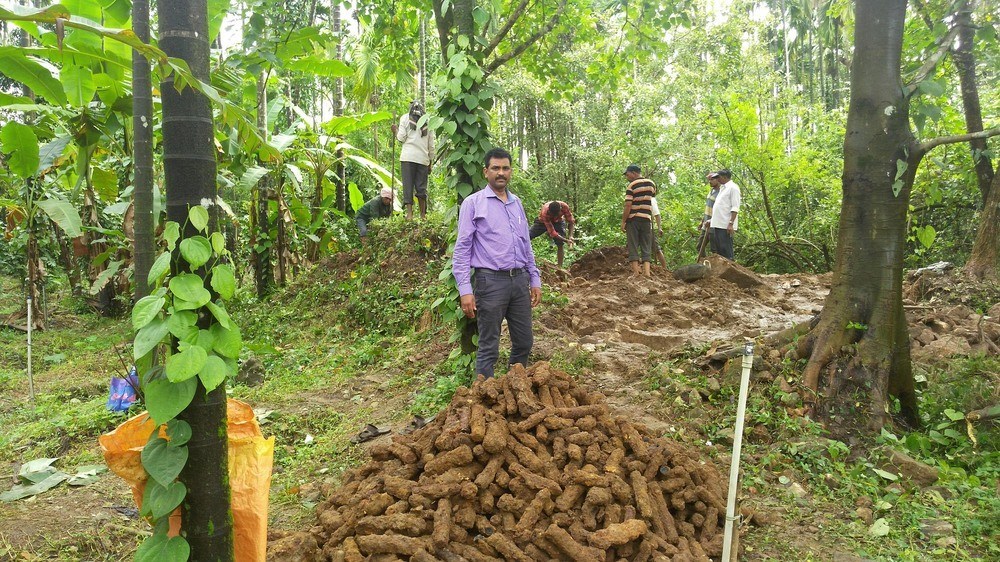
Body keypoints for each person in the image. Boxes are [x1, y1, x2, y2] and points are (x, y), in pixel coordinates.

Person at [453, 148, 542, 378]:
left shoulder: (517, 203)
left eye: (505, 168)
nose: (500, 173)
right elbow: (462, 249)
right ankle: (483, 400)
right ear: (486, 172)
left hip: (519, 281)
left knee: (524, 341)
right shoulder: (473, 204)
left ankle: (513, 388)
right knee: (489, 345)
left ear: (511, 171)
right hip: (490, 282)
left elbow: (526, 244)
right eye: (495, 168)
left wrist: (535, 278)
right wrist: (465, 290)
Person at [391, 101, 434, 220]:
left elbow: (401, 138)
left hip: (407, 158)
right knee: (421, 187)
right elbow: (431, 146)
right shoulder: (428, 121)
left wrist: (395, 131)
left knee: (408, 186)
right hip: (423, 159)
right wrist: (430, 162)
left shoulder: (405, 118)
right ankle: (423, 215)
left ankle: (409, 214)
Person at [621, 164, 656, 277]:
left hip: (633, 219)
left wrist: (623, 221)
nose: (627, 177)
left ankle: (636, 273)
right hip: (646, 219)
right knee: (646, 245)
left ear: (634, 173)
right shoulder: (652, 184)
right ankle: (647, 273)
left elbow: (628, 205)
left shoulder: (631, 185)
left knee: (633, 245)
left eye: (627, 174)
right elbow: (652, 198)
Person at [528, 201, 576, 269]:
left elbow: (571, 221)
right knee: (527, 236)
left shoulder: (564, 207)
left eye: (556, 214)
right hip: (542, 222)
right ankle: (526, 259)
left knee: (560, 244)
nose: (554, 216)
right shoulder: (545, 212)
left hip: (558, 222)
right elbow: (552, 233)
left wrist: (570, 236)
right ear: (550, 212)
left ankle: (559, 268)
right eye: (552, 214)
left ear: (560, 209)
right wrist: (566, 240)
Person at [709, 169, 741, 260]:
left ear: (724, 177)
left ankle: (731, 272)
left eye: (718, 177)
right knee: (720, 252)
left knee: (726, 251)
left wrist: (731, 223)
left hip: (725, 225)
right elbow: (721, 208)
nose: (717, 180)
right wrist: (711, 220)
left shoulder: (733, 188)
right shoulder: (722, 189)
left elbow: (735, 207)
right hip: (718, 224)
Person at [697, 172, 722, 259]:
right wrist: (702, 221)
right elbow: (708, 207)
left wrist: (712, 220)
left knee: (714, 249)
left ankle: (716, 268)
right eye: (709, 179)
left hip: (714, 224)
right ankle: (705, 265)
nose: (710, 181)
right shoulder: (711, 191)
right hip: (706, 224)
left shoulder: (720, 193)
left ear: (717, 180)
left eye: (712, 179)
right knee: (699, 246)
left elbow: (720, 210)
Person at [650, 195, 667, 268]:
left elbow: (657, 214)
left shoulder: (651, 200)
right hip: (637, 227)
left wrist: (659, 227)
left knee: (656, 249)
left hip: (648, 228)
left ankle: (665, 268)